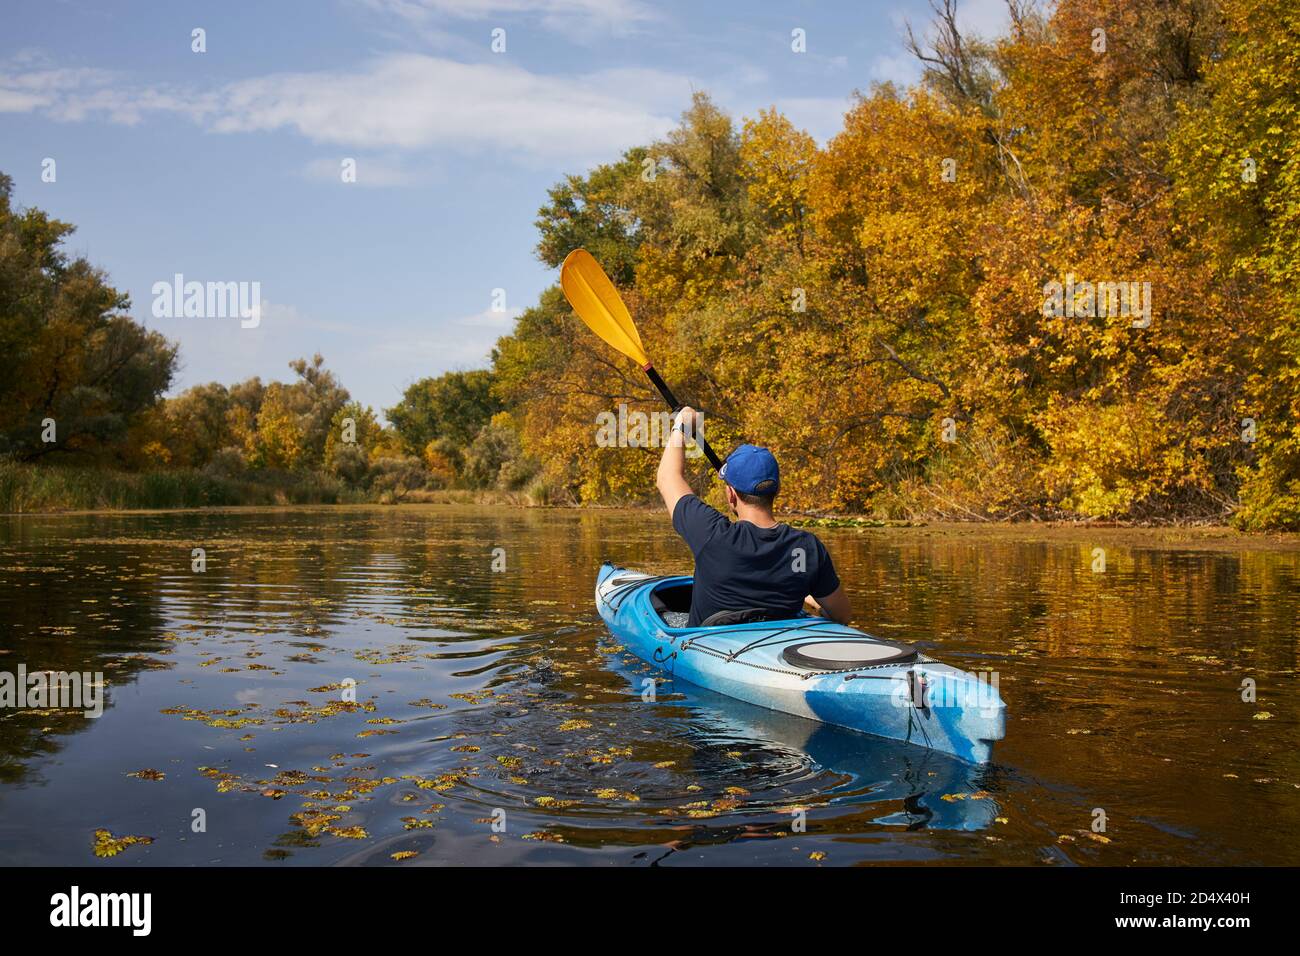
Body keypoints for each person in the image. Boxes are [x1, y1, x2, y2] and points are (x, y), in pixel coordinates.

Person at [655, 406, 852, 627]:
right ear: (776, 491)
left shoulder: (712, 534)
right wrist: (809, 594)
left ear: (731, 494)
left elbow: (667, 477)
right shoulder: (806, 548)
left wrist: (681, 426)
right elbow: (842, 615)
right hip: (776, 648)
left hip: (710, 648)